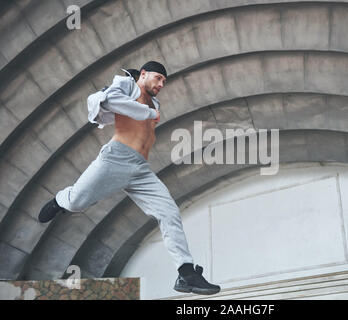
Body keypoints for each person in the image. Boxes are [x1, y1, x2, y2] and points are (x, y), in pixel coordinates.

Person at [38, 61, 221, 295]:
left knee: (169, 213)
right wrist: (146, 110)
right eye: (158, 78)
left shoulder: (154, 101)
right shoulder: (126, 85)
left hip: (140, 169)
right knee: (77, 202)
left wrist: (149, 110)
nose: (162, 84)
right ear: (143, 75)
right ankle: (60, 200)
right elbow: (108, 101)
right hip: (116, 158)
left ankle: (187, 274)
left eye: (164, 81)